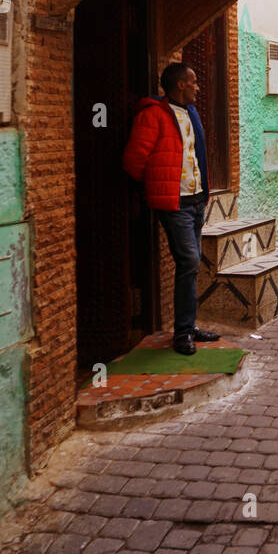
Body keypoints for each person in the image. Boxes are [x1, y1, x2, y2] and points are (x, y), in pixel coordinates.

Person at [122, 63, 220, 356]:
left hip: (196, 200)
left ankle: (188, 326)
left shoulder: (192, 113)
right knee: (189, 261)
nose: (197, 87)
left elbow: (196, 154)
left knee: (191, 265)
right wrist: (157, 184)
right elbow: (133, 161)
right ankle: (182, 333)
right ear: (180, 85)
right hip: (174, 203)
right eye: (194, 82)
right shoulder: (153, 115)